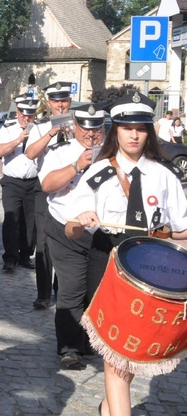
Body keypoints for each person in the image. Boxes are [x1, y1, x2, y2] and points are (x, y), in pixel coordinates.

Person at [66, 92, 187, 416]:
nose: (134, 135)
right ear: (115, 130)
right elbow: (71, 229)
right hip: (107, 261)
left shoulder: (164, 175)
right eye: (126, 127)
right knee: (116, 354)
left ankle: (109, 406)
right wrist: (80, 220)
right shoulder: (97, 173)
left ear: (149, 132)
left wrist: (165, 232)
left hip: (151, 266)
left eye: (141, 128)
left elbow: (182, 229)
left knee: (133, 350)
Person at [38, 104, 106, 369]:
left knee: (94, 290)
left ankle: (88, 339)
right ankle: (69, 348)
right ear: (75, 126)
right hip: (64, 229)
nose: (91, 135)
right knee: (71, 289)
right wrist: (77, 165)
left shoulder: (113, 152)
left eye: (96, 129)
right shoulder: (59, 152)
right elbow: (47, 185)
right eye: (85, 129)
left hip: (100, 232)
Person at [24, 82, 73, 309]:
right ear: (49, 103)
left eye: (64, 100)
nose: (60, 105)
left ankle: (61, 290)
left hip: (73, 189)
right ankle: (43, 294)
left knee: (69, 241)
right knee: (43, 244)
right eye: (56, 101)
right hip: (46, 189)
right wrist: (52, 132)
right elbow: (30, 153)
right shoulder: (41, 127)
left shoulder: (79, 123)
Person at [0, 95, 40, 272]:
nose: (26, 118)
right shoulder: (8, 128)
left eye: (30, 115)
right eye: (23, 114)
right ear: (17, 112)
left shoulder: (39, 129)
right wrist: (18, 140)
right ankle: (10, 258)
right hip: (12, 182)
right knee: (11, 219)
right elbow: (0, 151)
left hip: (33, 182)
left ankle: (25, 255)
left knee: (31, 222)